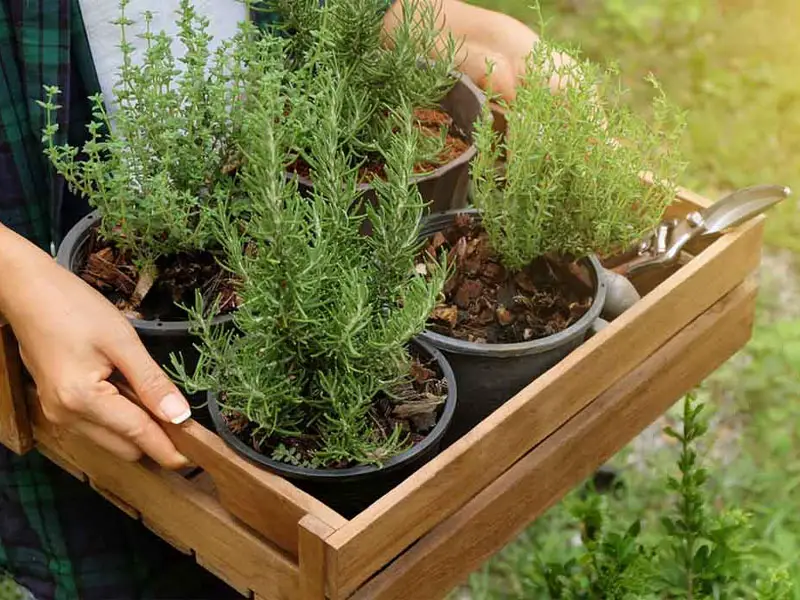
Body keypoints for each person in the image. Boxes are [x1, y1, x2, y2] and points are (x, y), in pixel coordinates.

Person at [0, 0, 557, 597]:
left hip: (268, 196)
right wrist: (15, 274)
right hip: (55, 307)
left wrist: (419, 20)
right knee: (123, 559)